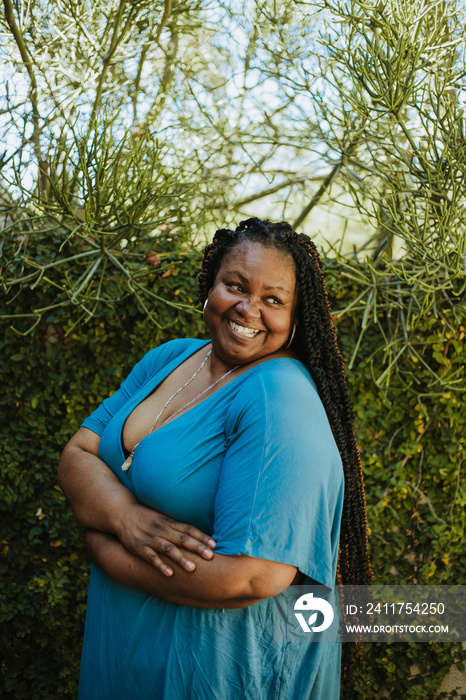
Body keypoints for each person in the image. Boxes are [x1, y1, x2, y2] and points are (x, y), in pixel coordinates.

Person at [58, 217, 372, 700]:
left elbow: (254, 575)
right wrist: (123, 517)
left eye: (274, 300)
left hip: (215, 669)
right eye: (235, 286)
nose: (249, 309)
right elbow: (78, 453)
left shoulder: (278, 394)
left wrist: (104, 550)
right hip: (125, 648)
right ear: (210, 288)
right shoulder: (170, 358)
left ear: (296, 317)